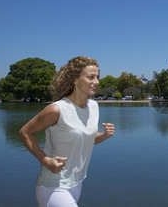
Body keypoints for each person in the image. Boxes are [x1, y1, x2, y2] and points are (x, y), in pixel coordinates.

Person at [19, 56, 115, 207]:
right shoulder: (57, 109)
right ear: (75, 79)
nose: (96, 82)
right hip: (53, 186)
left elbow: (85, 139)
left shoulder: (94, 107)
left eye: (97, 77)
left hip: (77, 183)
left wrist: (103, 135)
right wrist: (45, 160)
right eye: (91, 77)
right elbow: (24, 132)